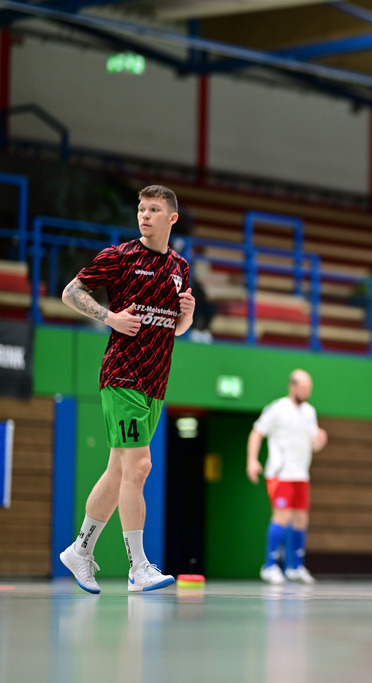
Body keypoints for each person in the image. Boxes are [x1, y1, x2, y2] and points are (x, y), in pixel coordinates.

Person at [58, 185, 194, 594]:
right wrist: (110, 317)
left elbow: (174, 328)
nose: (144, 215)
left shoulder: (180, 267)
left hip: (155, 382)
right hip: (123, 376)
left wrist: (186, 317)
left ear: (171, 218)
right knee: (140, 466)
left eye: (154, 209)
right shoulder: (119, 257)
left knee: (119, 470)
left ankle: (80, 550)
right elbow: (71, 293)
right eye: (141, 208)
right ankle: (139, 566)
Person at [247, 369, 328, 585]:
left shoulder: (310, 412)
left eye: (309, 389)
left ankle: (295, 567)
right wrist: (252, 461)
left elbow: (314, 444)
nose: (306, 392)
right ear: (292, 386)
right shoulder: (277, 408)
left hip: (301, 475)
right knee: (282, 516)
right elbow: (257, 432)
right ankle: (270, 566)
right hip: (281, 474)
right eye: (303, 388)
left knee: (301, 519)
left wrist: (320, 440)